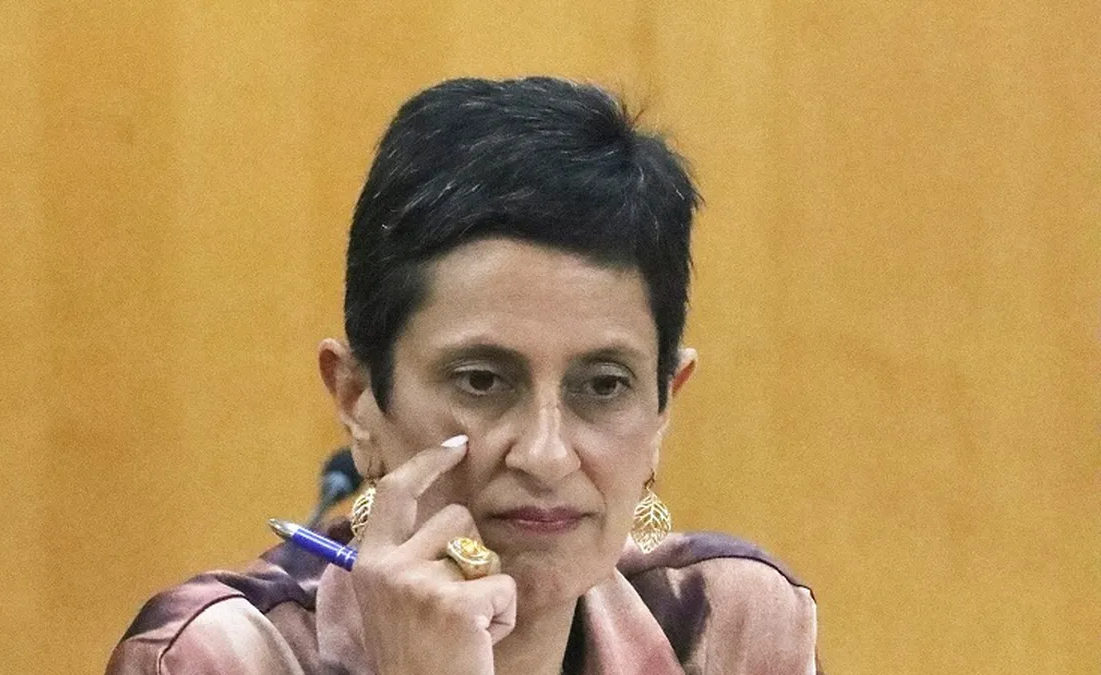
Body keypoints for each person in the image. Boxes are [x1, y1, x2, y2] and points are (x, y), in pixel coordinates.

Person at [107, 76, 820, 675]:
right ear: (357, 398)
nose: (545, 454)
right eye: (482, 381)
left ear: (664, 405)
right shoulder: (215, 658)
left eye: (603, 385)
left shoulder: (731, 627)